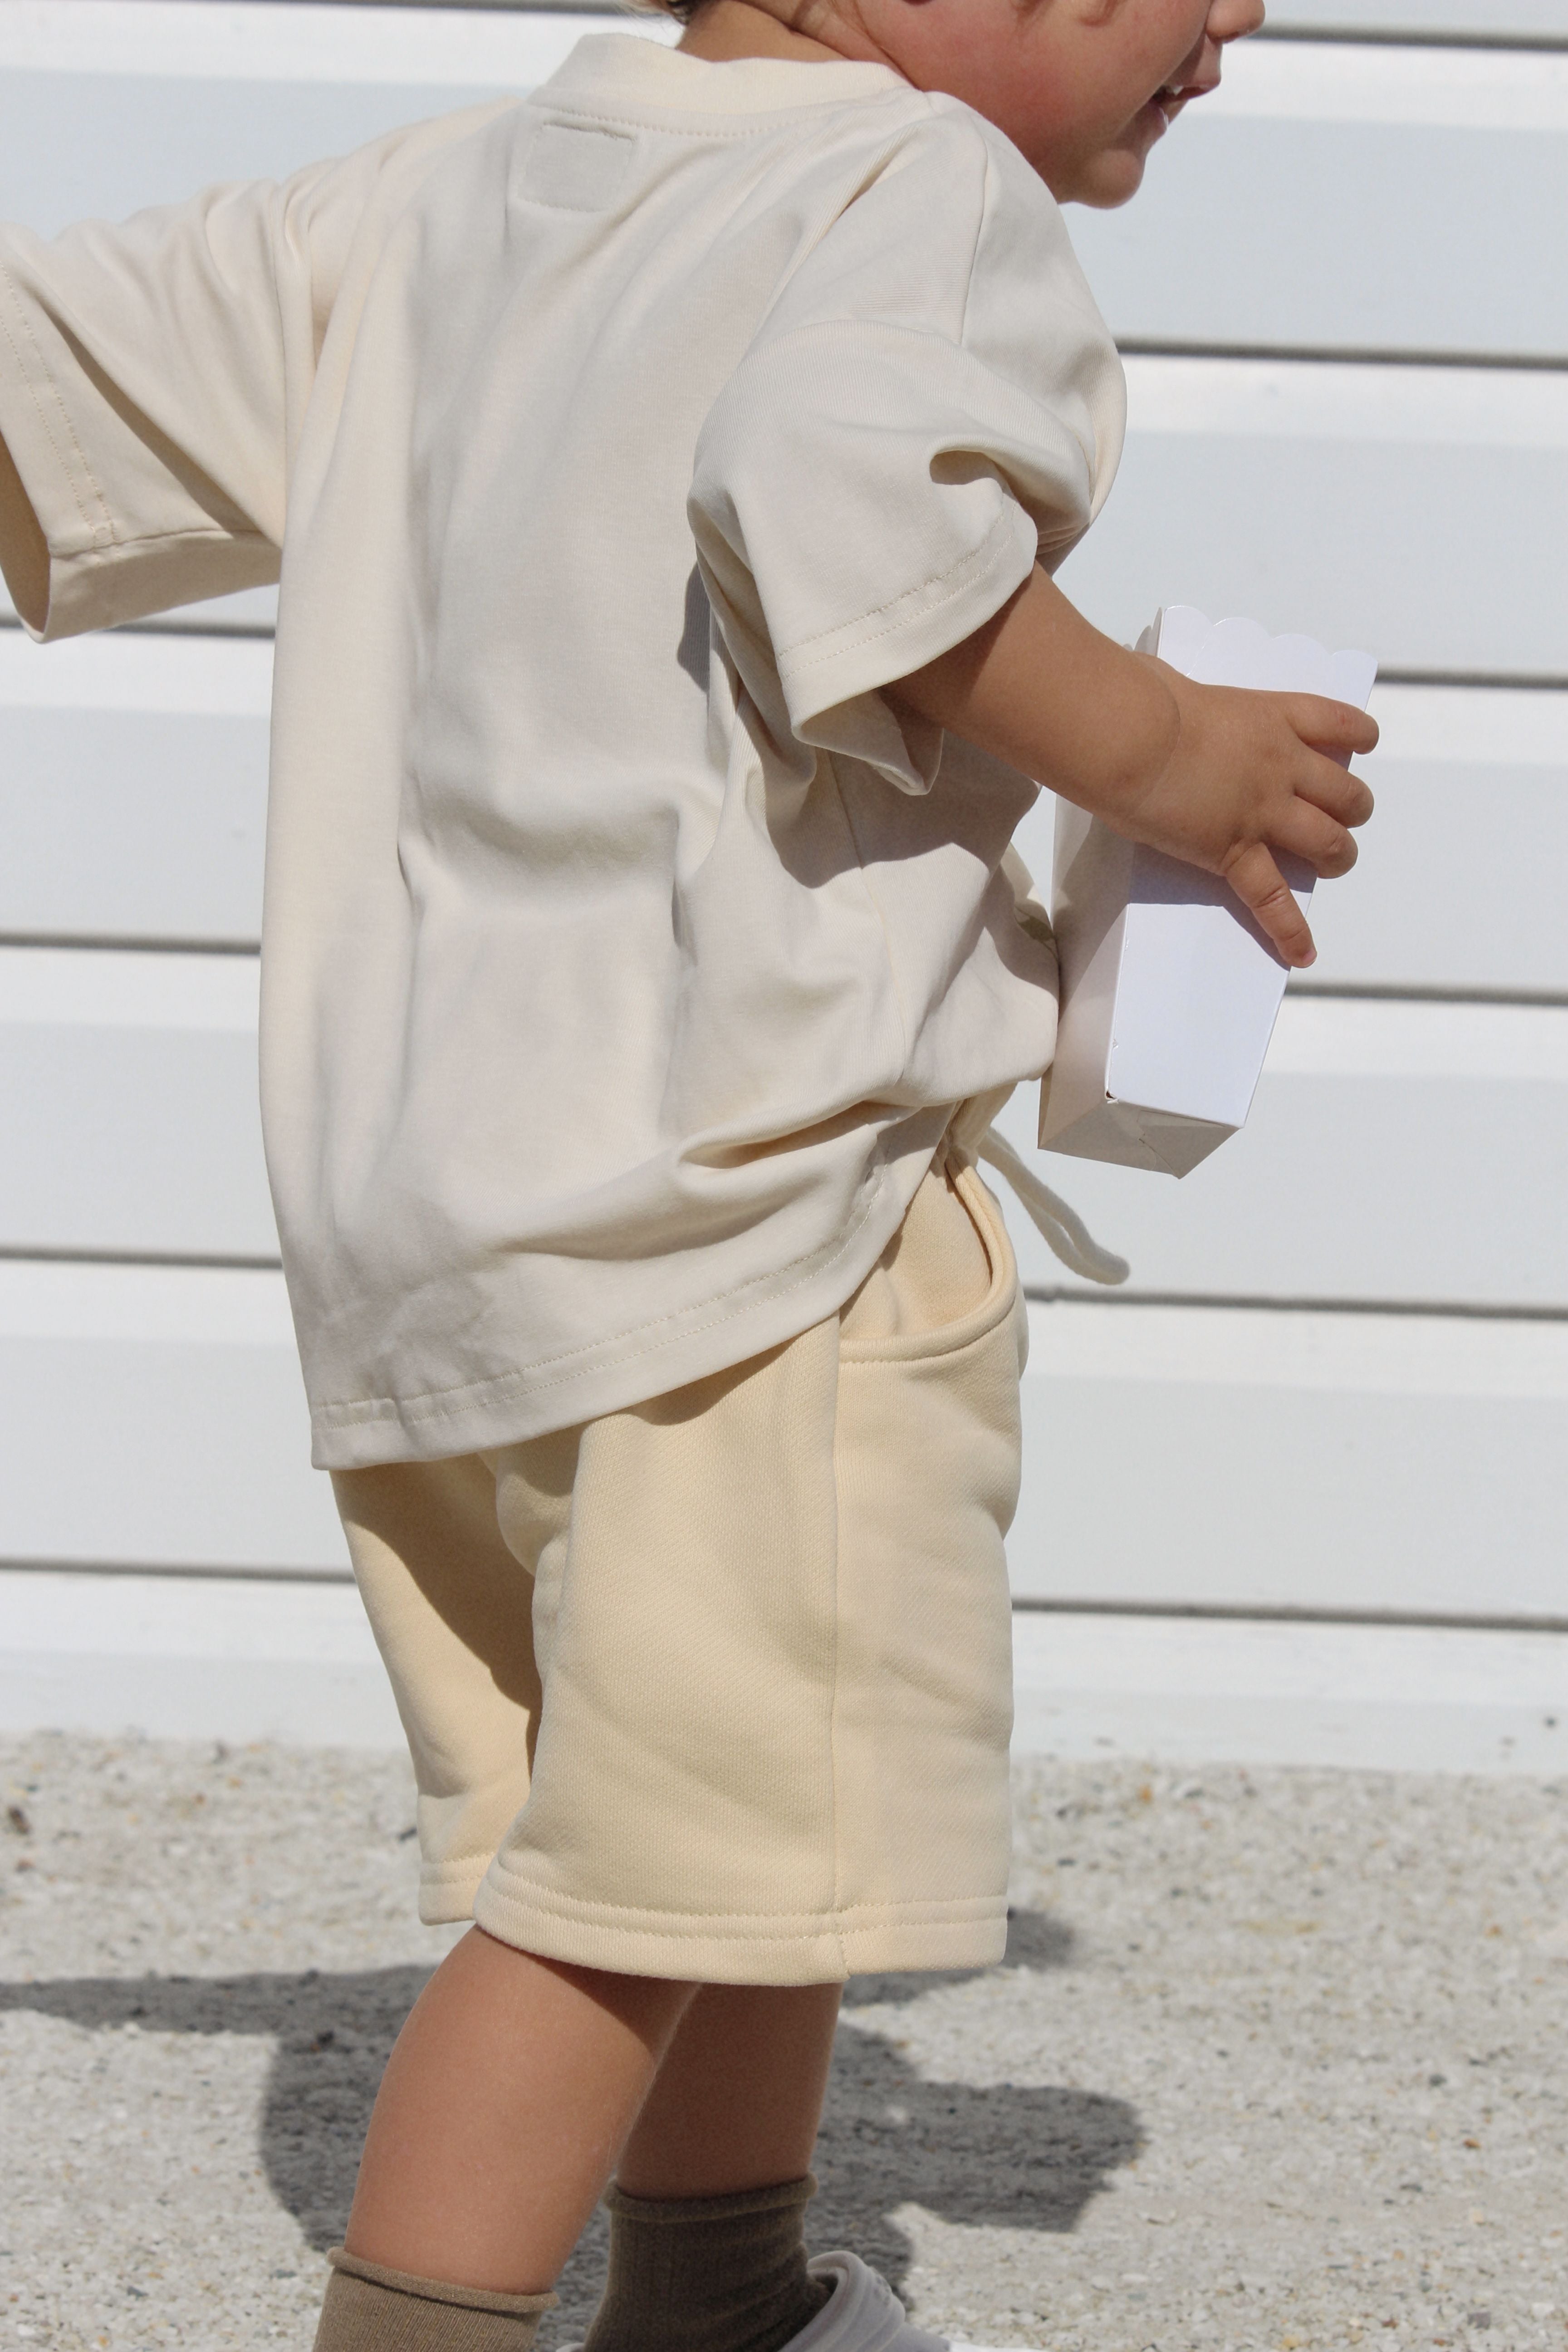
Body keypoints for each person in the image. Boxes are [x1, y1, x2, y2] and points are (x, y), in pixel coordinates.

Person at [0, 0, 1375, 2342]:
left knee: (751, 1825)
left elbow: (48, 387)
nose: (1239, 15)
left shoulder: (443, 200)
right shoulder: (914, 192)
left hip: (447, 1248)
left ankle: (729, 2303)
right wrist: (1162, 753)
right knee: (631, 1889)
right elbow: (848, 500)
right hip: (758, 1238)